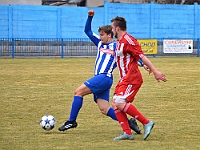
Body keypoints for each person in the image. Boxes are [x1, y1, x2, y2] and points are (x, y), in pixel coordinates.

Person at [58, 10, 145, 134]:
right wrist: (89, 17)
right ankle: (129, 122)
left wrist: (142, 64)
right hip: (101, 79)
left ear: (109, 35)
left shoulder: (117, 46)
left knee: (78, 92)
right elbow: (87, 31)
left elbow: (132, 54)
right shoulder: (99, 43)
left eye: (102, 34)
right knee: (104, 109)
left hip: (104, 77)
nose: (100, 37)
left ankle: (71, 121)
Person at [110, 16, 167, 140]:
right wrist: (142, 65)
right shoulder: (119, 41)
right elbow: (132, 57)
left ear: (117, 28)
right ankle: (127, 133)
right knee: (115, 104)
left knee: (119, 103)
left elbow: (141, 56)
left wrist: (155, 71)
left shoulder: (128, 40)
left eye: (112, 28)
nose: (111, 31)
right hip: (124, 78)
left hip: (132, 78)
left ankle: (146, 122)